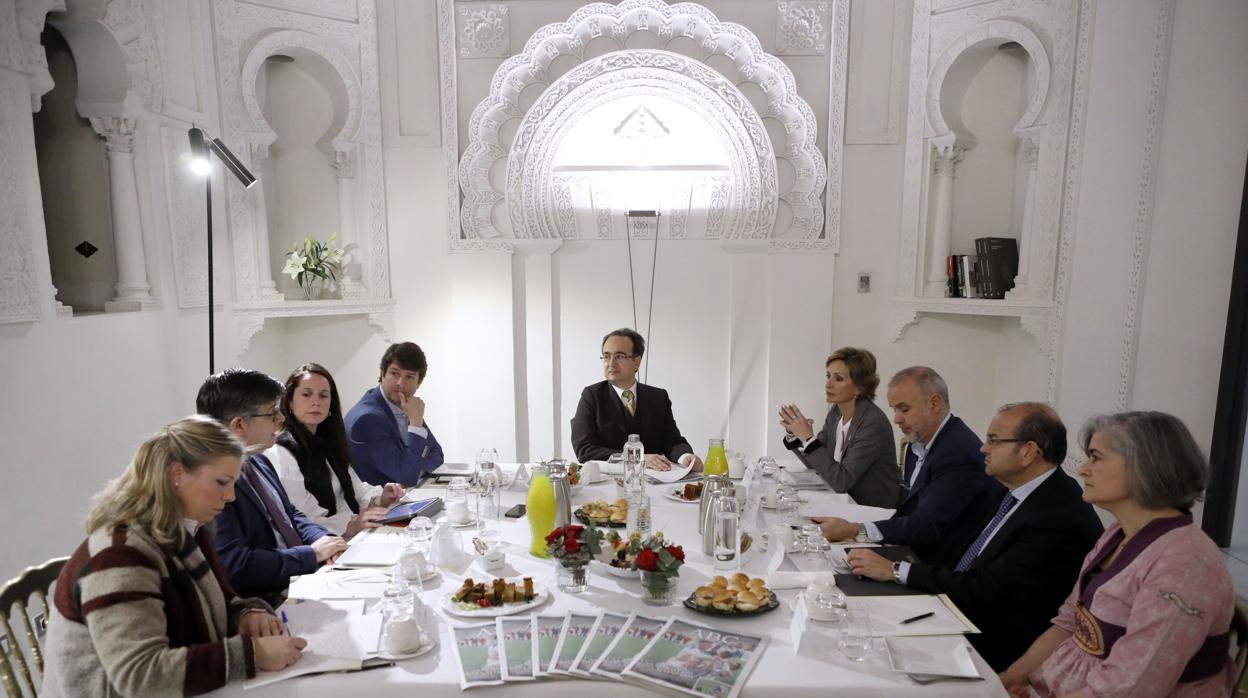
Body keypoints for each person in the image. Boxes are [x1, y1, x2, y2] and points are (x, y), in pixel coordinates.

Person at [42, 416, 306, 696]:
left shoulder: (188, 529)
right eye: (221, 482)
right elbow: (141, 676)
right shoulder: (119, 555)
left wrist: (245, 614)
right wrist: (251, 655)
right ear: (176, 474)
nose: (230, 496)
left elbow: (219, 601)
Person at [846, 403, 1103, 671]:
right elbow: (971, 559)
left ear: (1028, 452)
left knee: (862, 653)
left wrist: (895, 570)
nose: (983, 448)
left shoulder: (1056, 517)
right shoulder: (1020, 489)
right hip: (961, 610)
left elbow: (986, 589)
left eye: (993, 440)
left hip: (992, 647)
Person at [999, 412, 1234, 697]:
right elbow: (1068, 623)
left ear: (1145, 467)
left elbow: (1129, 688)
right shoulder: (1117, 534)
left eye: (1096, 457)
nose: (1083, 469)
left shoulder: (1185, 564)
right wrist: (1008, 679)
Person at [812, 366, 1003, 566]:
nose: (896, 419)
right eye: (894, 409)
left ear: (934, 404)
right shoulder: (918, 442)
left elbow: (926, 526)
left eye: (904, 409)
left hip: (937, 565)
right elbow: (911, 509)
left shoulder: (957, 453)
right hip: (913, 547)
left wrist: (857, 530)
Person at [199, 368, 347, 606]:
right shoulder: (213, 481)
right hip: (266, 600)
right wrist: (312, 554)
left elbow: (289, 514)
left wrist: (325, 539)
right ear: (239, 426)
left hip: (302, 577)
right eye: (271, 414)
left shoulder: (258, 459)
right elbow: (237, 564)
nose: (281, 419)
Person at [265, 363, 406, 538]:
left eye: (324, 396)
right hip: (324, 546)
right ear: (290, 402)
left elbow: (356, 491)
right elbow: (305, 519)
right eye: (306, 395)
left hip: (352, 536)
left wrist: (382, 498)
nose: (316, 402)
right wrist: (352, 526)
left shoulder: (327, 443)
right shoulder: (281, 452)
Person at [777, 347, 899, 508]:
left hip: (871, 513)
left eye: (839, 378)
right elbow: (818, 464)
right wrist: (796, 434)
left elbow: (841, 481)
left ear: (860, 387)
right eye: (828, 376)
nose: (828, 384)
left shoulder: (872, 422)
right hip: (842, 503)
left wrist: (807, 438)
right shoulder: (836, 411)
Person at [570, 328, 703, 471]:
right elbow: (584, 450)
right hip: (608, 482)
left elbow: (673, 441)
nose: (611, 363)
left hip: (654, 483)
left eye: (619, 356)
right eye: (606, 356)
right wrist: (635, 457)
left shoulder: (658, 397)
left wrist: (686, 457)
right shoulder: (591, 395)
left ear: (637, 362)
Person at [345, 342, 446, 485]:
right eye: (394, 373)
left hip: (406, 495)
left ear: (419, 382)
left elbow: (437, 454)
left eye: (409, 377)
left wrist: (414, 467)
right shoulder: (367, 419)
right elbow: (406, 477)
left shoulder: (406, 405)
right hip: (378, 504)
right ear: (382, 373)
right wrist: (416, 424)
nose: (400, 383)